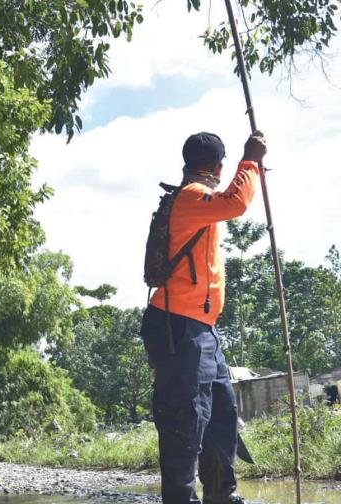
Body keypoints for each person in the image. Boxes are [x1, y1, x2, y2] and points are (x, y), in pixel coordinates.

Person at [140, 131, 266, 504]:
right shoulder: (191, 197)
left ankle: (220, 495)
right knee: (185, 421)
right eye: (225, 165)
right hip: (177, 326)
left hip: (202, 330)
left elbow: (228, 202)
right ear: (217, 165)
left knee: (222, 415)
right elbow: (237, 201)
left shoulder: (198, 201)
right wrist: (251, 160)